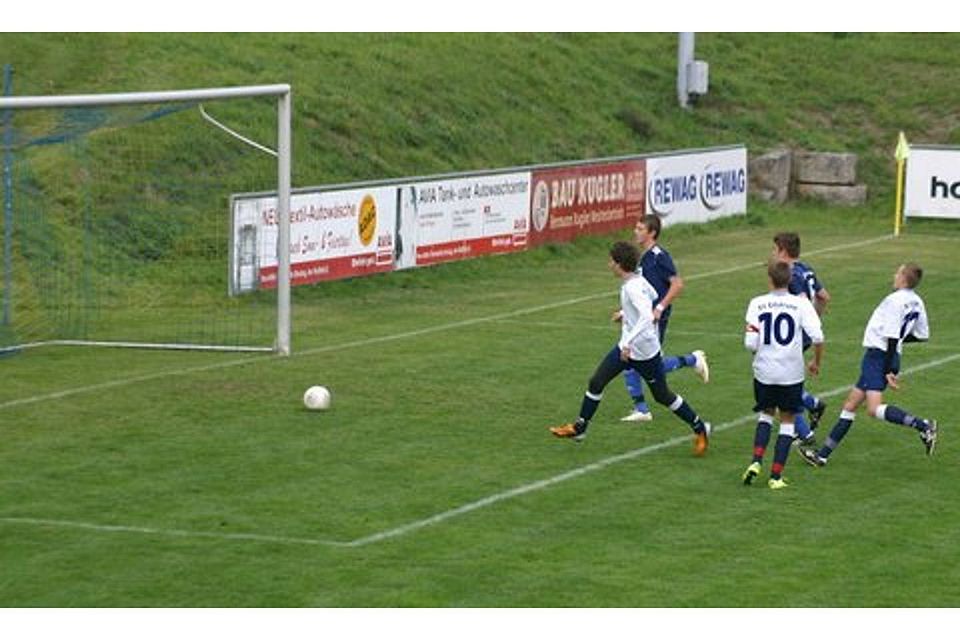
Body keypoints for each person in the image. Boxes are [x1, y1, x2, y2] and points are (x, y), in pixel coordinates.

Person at [550, 241, 712, 455]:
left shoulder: (632, 287)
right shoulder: (638, 281)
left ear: (619, 264)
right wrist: (626, 315)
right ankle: (580, 428)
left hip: (644, 352)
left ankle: (701, 428)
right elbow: (653, 296)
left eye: (611, 261)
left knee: (662, 396)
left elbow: (647, 316)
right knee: (597, 381)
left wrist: (628, 341)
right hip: (626, 347)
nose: (609, 265)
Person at [800, 263, 937, 467]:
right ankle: (822, 456)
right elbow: (921, 335)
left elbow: (891, 334)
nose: (894, 275)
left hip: (879, 357)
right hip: (885, 355)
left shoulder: (894, 300)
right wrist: (897, 345)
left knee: (873, 409)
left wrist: (889, 367)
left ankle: (923, 425)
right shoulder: (917, 301)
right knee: (850, 405)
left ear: (903, 279)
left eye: (898, 272)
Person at [741, 260, 824, 489]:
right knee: (787, 420)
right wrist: (815, 362)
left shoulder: (757, 303)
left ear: (769, 279)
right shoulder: (801, 304)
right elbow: (817, 337)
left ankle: (756, 461)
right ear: (790, 280)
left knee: (766, 415)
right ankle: (775, 476)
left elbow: (750, 343)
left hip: (764, 371)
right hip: (791, 373)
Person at [619, 214, 709, 423]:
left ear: (652, 233)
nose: (636, 231)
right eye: (636, 227)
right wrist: (625, 312)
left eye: (640, 228)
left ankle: (692, 360)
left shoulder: (660, 256)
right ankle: (641, 409)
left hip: (654, 319)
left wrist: (659, 308)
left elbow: (677, 284)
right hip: (645, 318)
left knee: (647, 364)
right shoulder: (644, 257)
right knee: (634, 360)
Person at [772, 232, 830, 444]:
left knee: (778, 383)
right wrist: (814, 320)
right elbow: (824, 297)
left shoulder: (790, 275)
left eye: (774, 250)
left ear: (783, 251)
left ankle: (803, 433)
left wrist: (803, 323)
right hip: (804, 334)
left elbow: (802, 301)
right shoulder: (806, 269)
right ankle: (812, 404)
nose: (772, 254)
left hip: (792, 336)